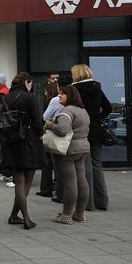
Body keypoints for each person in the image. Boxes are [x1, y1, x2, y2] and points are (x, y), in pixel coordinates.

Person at [1, 72, 45, 230]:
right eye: (30, 83)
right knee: (25, 181)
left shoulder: (5, 98)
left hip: (11, 142)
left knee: (18, 180)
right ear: (26, 82)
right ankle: (26, 218)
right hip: (29, 142)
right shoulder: (29, 97)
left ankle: (14, 215)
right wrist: (40, 135)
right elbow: (38, 121)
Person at [45, 85, 90, 224]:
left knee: (70, 183)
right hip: (82, 148)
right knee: (82, 180)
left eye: (62, 94)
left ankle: (66, 215)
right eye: (59, 94)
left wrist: (50, 125)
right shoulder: (82, 110)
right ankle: (80, 213)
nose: (59, 96)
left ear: (70, 96)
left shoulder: (67, 111)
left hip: (68, 151)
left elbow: (63, 130)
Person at [71, 64, 112, 211]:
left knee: (84, 167)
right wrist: (97, 118)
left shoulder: (74, 89)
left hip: (82, 130)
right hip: (96, 130)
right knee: (97, 165)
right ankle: (102, 201)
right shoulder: (97, 87)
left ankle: (88, 203)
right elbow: (108, 107)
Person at [42, 74, 73, 204]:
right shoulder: (76, 98)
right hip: (75, 137)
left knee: (58, 165)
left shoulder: (56, 100)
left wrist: (50, 124)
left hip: (59, 134)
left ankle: (61, 195)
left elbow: (45, 117)